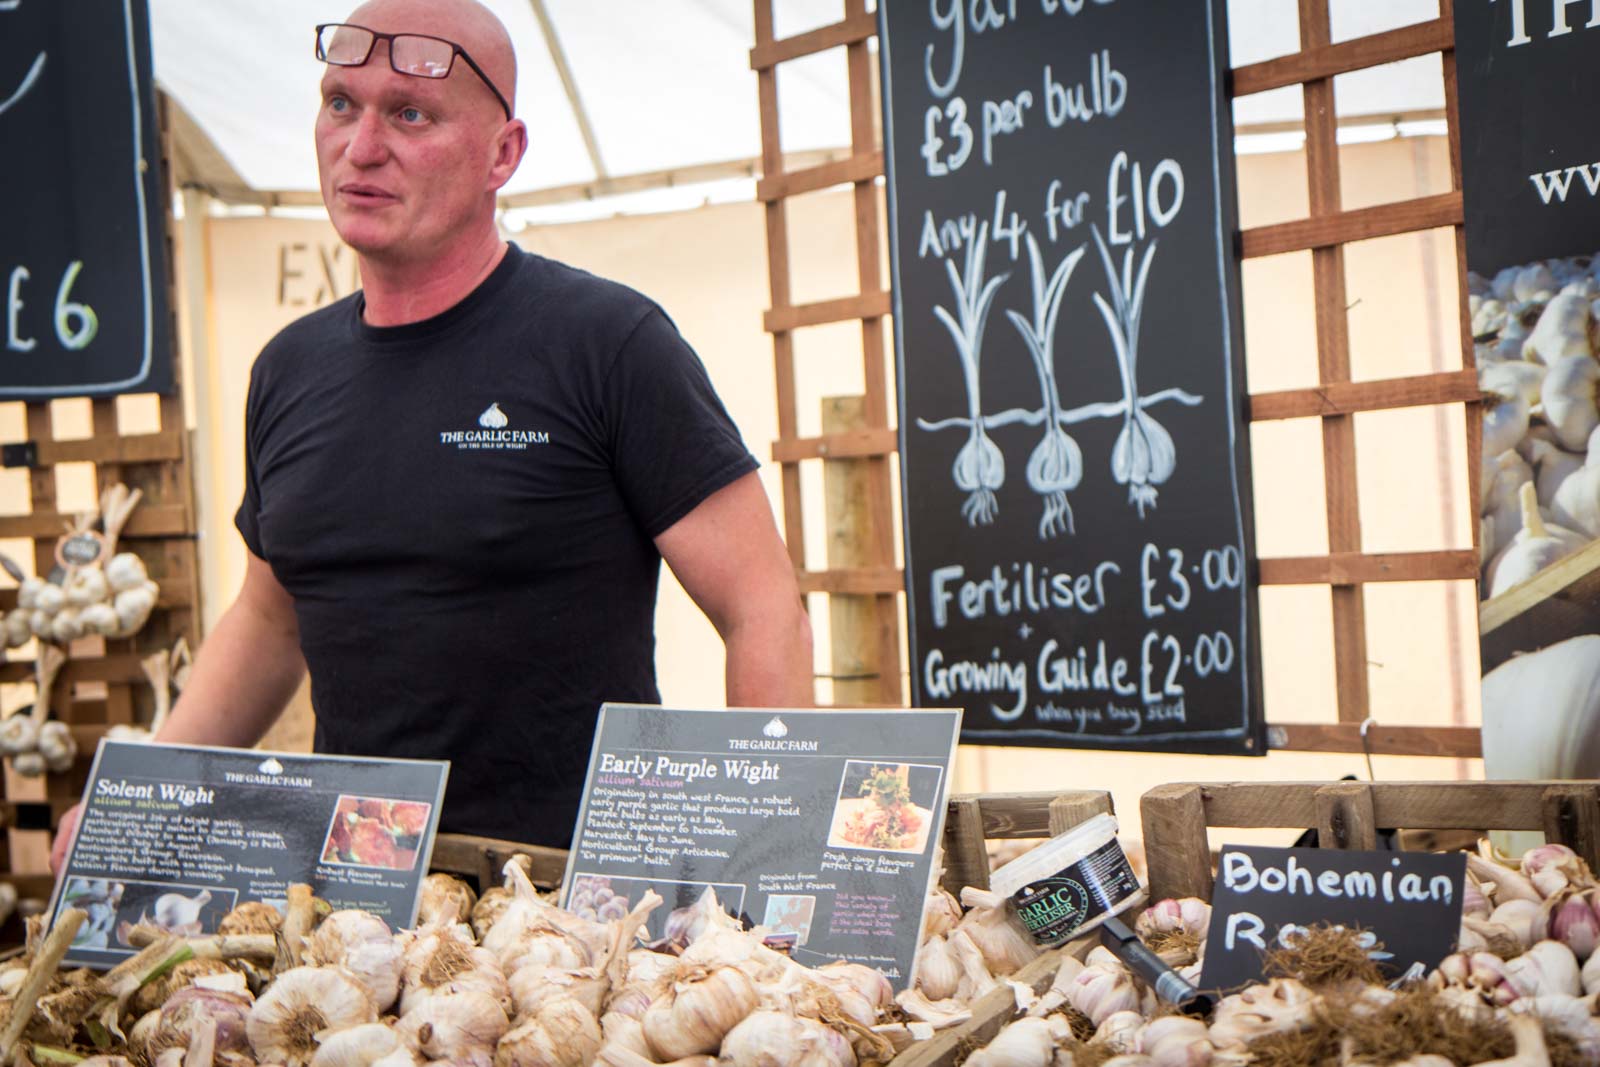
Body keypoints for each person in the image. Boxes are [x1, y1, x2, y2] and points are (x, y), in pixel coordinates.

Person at [52, 0, 812, 871]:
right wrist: (138, 787)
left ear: (504, 154)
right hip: (354, 909)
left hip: (575, 916)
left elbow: (764, 608)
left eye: (410, 114)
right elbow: (270, 618)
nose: (361, 146)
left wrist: (768, 859)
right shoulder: (289, 370)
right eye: (342, 103)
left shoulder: (609, 343)